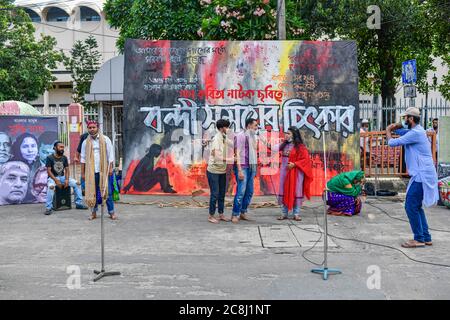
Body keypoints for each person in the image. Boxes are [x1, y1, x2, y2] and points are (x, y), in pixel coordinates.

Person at [387, 107, 439, 248]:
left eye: (405, 118)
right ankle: (425, 237)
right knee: (417, 206)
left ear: (410, 119)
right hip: (422, 173)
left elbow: (392, 143)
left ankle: (419, 239)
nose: (404, 120)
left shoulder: (416, 133)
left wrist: (388, 131)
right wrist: (396, 128)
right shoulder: (417, 131)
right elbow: (404, 132)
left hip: (421, 175)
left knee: (410, 206)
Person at [81, 120, 117, 220]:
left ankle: (111, 212)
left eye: (94, 127)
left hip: (104, 171)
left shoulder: (105, 139)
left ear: (98, 128)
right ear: (88, 129)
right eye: (90, 128)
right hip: (91, 172)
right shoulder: (85, 142)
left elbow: (111, 156)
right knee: (92, 192)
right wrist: (83, 173)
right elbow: (83, 158)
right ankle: (93, 212)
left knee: (108, 192)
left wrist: (110, 168)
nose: (92, 129)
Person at [275, 127, 313, 221]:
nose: (286, 135)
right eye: (286, 133)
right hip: (285, 172)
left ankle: (296, 213)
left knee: (296, 191)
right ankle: (284, 213)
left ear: (294, 135)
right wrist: (262, 140)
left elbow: (306, 160)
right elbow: (272, 148)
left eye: (288, 133)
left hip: (296, 173)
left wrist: (294, 164)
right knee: (285, 190)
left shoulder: (300, 147)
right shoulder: (284, 145)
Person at [45, 141, 88, 215]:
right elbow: (49, 171)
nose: (62, 149)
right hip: (52, 178)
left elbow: (67, 170)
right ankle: (48, 208)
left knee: (77, 183)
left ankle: (78, 203)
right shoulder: (49, 158)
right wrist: (56, 181)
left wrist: (67, 179)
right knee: (51, 187)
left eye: (63, 147)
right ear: (55, 148)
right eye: (60, 147)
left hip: (62, 177)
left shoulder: (64, 158)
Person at [232, 118, 258, 223]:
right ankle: (235, 214)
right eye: (255, 125)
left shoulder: (252, 136)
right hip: (242, 166)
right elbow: (237, 153)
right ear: (249, 125)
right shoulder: (240, 136)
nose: (257, 128)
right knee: (241, 191)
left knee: (250, 191)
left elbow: (255, 149)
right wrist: (239, 170)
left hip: (251, 166)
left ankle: (243, 212)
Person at [206, 119, 231, 224]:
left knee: (222, 194)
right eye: (227, 127)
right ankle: (211, 215)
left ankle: (221, 214)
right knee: (215, 194)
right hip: (214, 171)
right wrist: (230, 160)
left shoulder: (224, 137)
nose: (228, 129)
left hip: (222, 170)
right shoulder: (217, 138)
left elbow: (233, 144)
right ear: (222, 128)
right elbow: (217, 156)